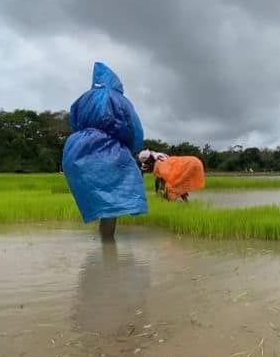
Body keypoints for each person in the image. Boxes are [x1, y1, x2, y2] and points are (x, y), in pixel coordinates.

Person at [62, 62, 147, 241]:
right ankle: (108, 244)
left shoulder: (82, 100)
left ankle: (105, 241)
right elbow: (131, 128)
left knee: (101, 196)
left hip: (75, 149)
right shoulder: (117, 99)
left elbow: (74, 124)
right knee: (114, 196)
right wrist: (133, 147)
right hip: (105, 148)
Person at [139, 149, 205, 202]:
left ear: (149, 159)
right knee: (176, 187)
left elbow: (162, 179)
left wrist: (160, 192)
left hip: (186, 166)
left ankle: (182, 202)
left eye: (146, 163)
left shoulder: (158, 163)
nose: (146, 165)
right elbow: (159, 179)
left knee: (173, 187)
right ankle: (185, 203)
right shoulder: (156, 160)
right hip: (189, 163)